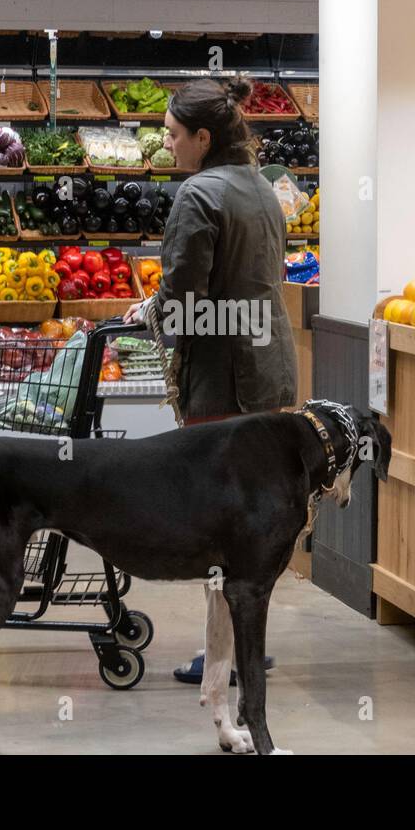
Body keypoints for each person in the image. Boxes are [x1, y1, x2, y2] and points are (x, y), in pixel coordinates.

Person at [124, 76, 297, 685]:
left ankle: (219, 660)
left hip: (224, 379)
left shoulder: (198, 195)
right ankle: (246, 646)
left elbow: (183, 297)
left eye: (172, 135)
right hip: (271, 368)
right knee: (255, 524)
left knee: (218, 525)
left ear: (202, 137)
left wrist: (150, 315)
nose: (166, 144)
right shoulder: (262, 189)